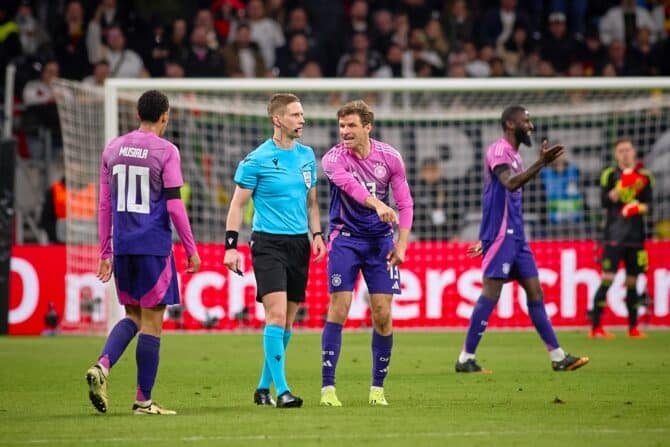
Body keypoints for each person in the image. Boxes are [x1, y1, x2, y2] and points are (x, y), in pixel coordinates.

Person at [86, 90, 201, 415]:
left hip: (123, 246)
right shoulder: (166, 151)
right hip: (153, 246)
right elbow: (176, 206)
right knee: (152, 322)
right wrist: (191, 247)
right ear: (165, 115)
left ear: (139, 113)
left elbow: (105, 204)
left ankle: (102, 366)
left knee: (133, 316)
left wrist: (105, 251)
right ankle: (143, 400)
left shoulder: (113, 148)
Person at [455, 105, 589, 374]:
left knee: (535, 292)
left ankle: (558, 356)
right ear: (510, 124)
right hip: (502, 236)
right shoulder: (498, 150)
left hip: (517, 238)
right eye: (525, 121)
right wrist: (541, 163)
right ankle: (465, 358)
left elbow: (501, 199)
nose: (530, 125)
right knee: (491, 293)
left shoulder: (515, 155)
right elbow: (509, 184)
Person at [223, 93, 326, 408]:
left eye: (302, 114)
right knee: (276, 315)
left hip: (299, 244)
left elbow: (311, 202)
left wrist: (317, 233)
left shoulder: (307, 155)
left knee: (288, 322)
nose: (302, 120)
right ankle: (282, 392)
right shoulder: (257, 159)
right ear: (277, 119)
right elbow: (238, 204)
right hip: (268, 243)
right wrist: (230, 246)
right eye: (295, 115)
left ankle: (262, 388)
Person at [319, 100, 414, 407]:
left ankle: (377, 389)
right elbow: (354, 191)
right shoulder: (333, 159)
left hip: (380, 243)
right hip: (345, 239)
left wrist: (401, 246)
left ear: (367, 127)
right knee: (340, 306)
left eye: (351, 126)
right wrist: (379, 204)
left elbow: (406, 204)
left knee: (383, 314)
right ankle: (328, 388)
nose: (344, 132)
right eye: (341, 126)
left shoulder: (390, 158)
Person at [589, 138, 654, 339]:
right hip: (614, 237)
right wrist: (623, 184)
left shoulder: (645, 176)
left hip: (636, 237)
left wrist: (636, 207)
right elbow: (605, 202)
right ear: (616, 155)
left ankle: (633, 327)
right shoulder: (609, 175)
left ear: (634, 152)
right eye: (621, 151)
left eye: (628, 150)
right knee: (607, 279)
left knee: (634, 282)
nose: (625, 154)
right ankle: (596, 327)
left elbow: (648, 205)